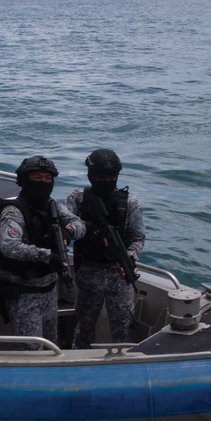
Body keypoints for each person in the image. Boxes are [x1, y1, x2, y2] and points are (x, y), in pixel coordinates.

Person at [0, 155, 84, 350]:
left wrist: (68, 232)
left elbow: (79, 224)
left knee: (52, 345)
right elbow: (9, 246)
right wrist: (46, 255)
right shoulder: (14, 212)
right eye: (37, 178)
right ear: (24, 181)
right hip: (25, 295)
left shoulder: (52, 205)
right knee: (31, 351)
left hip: (50, 290)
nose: (43, 182)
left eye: (48, 178)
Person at [65, 149, 146, 348]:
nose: (107, 181)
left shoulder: (130, 202)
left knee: (122, 328)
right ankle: (78, 362)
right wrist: (86, 230)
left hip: (118, 274)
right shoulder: (78, 198)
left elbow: (138, 237)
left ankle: (121, 364)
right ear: (91, 176)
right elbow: (66, 227)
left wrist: (130, 257)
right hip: (88, 271)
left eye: (111, 177)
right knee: (84, 327)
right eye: (101, 177)